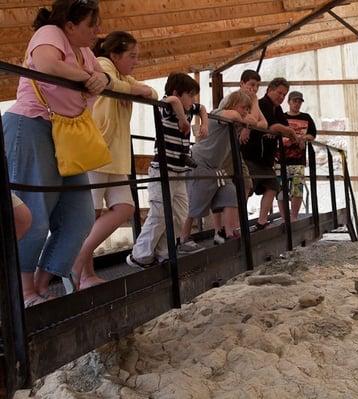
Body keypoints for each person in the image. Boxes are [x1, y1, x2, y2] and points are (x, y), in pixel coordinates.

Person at [2, 0, 109, 305]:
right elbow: (47, 65)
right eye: (92, 24)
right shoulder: (50, 32)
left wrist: (103, 79)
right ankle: (23, 292)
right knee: (33, 210)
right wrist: (88, 78)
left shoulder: (85, 51)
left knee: (81, 215)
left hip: (65, 135)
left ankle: (40, 282)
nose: (97, 30)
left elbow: (101, 76)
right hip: (32, 125)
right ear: (70, 25)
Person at [69, 31, 158, 291]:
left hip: (114, 157)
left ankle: (79, 262)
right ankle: (84, 272)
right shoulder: (104, 64)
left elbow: (150, 92)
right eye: (132, 56)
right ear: (115, 54)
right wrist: (135, 88)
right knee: (92, 215)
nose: (136, 61)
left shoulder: (122, 76)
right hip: (96, 152)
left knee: (125, 207)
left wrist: (137, 87)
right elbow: (108, 83)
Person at [126, 73, 207, 267]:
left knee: (180, 213)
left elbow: (202, 108)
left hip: (179, 172)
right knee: (159, 213)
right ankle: (140, 255)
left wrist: (205, 123)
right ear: (178, 93)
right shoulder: (167, 108)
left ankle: (164, 251)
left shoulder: (188, 107)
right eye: (190, 95)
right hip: (162, 171)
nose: (193, 100)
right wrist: (182, 119)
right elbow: (170, 100)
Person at [180, 90, 253, 247]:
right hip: (201, 161)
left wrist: (246, 120)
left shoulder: (235, 123)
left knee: (231, 193)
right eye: (243, 107)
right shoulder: (217, 115)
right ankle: (184, 238)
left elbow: (254, 120)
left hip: (215, 167)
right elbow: (234, 116)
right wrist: (244, 120)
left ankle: (229, 232)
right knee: (196, 200)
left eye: (248, 108)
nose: (245, 112)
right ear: (232, 104)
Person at [212, 69, 267, 244]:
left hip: (234, 149)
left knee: (246, 183)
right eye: (251, 85)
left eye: (257, 86)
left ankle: (233, 224)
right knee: (221, 187)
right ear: (242, 84)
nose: (254, 89)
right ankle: (219, 229)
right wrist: (248, 122)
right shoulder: (231, 99)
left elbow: (262, 123)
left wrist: (254, 102)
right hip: (223, 150)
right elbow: (234, 117)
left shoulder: (251, 101)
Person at [240, 77, 297, 230]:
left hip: (266, 158)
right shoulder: (262, 104)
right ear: (270, 90)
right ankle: (238, 224)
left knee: (272, 186)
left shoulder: (277, 109)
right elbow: (273, 127)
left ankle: (262, 221)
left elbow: (283, 127)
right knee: (248, 188)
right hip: (252, 153)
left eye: (284, 95)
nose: (282, 97)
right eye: (279, 93)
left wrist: (285, 130)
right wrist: (283, 129)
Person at [278, 90, 317, 222]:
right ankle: (284, 218)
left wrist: (302, 138)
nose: (297, 104)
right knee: (280, 190)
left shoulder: (306, 118)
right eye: (294, 101)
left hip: (298, 159)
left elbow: (312, 135)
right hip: (281, 159)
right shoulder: (281, 117)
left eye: (299, 101)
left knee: (298, 189)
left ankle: (293, 217)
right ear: (288, 102)